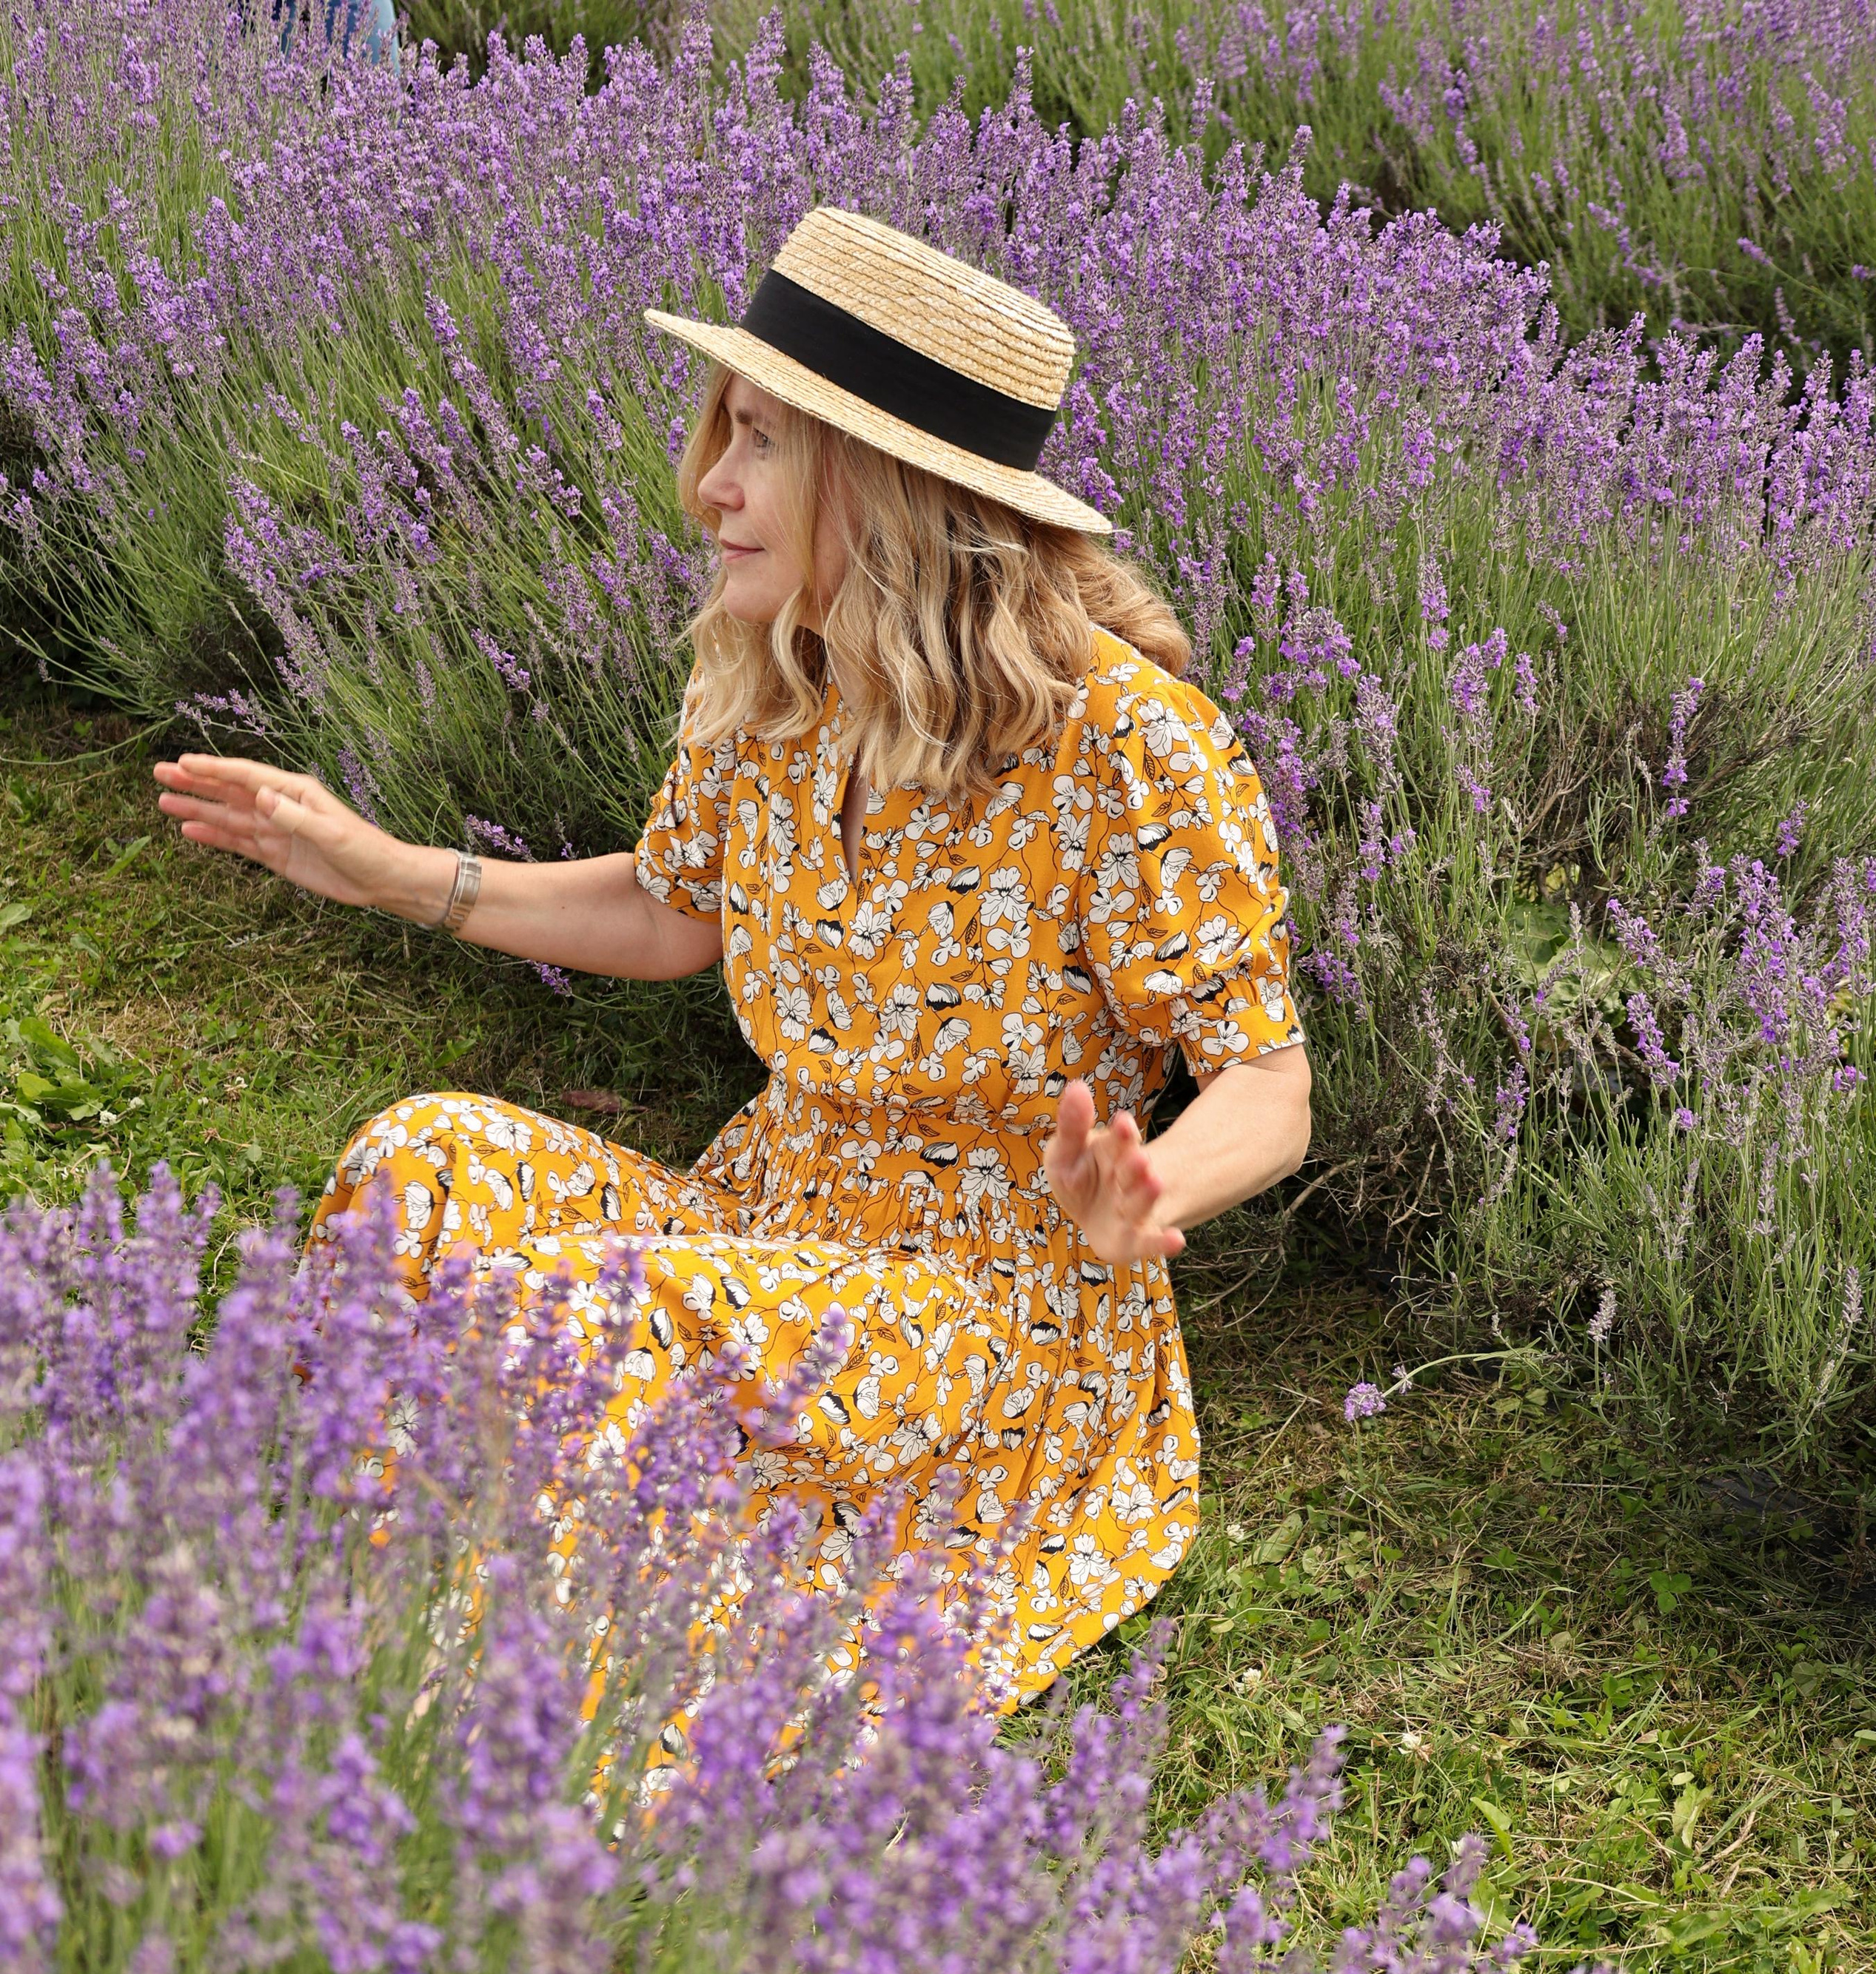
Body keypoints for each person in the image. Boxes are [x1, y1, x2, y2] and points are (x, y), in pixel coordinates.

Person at [154, 207, 1310, 1708]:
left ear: (887, 483)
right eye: (725, 432)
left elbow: (1266, 1085)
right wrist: (390, 876)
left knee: (581, 1313)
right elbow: (669, 912)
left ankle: (470, 1712)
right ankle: (318, 1590)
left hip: (993, 1311)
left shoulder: (1126, 745)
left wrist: (1147, 1188)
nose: (709, 488)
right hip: (766, 1208)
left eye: (760, 443)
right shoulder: (786, 669)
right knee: (419, 1159)